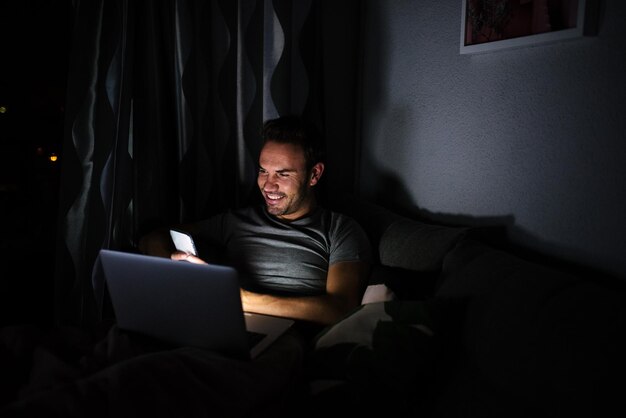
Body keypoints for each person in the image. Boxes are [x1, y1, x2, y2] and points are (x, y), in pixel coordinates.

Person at [138, 115, 371, 332]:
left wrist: (240, 298)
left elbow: (340, 310)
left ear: (314, 175)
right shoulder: (236, 221)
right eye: (263, 171)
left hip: (285, 337)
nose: (268, 186)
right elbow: (152, 238)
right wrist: (169, 269)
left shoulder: (340, 230)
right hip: (218, 324)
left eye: (283, 174)